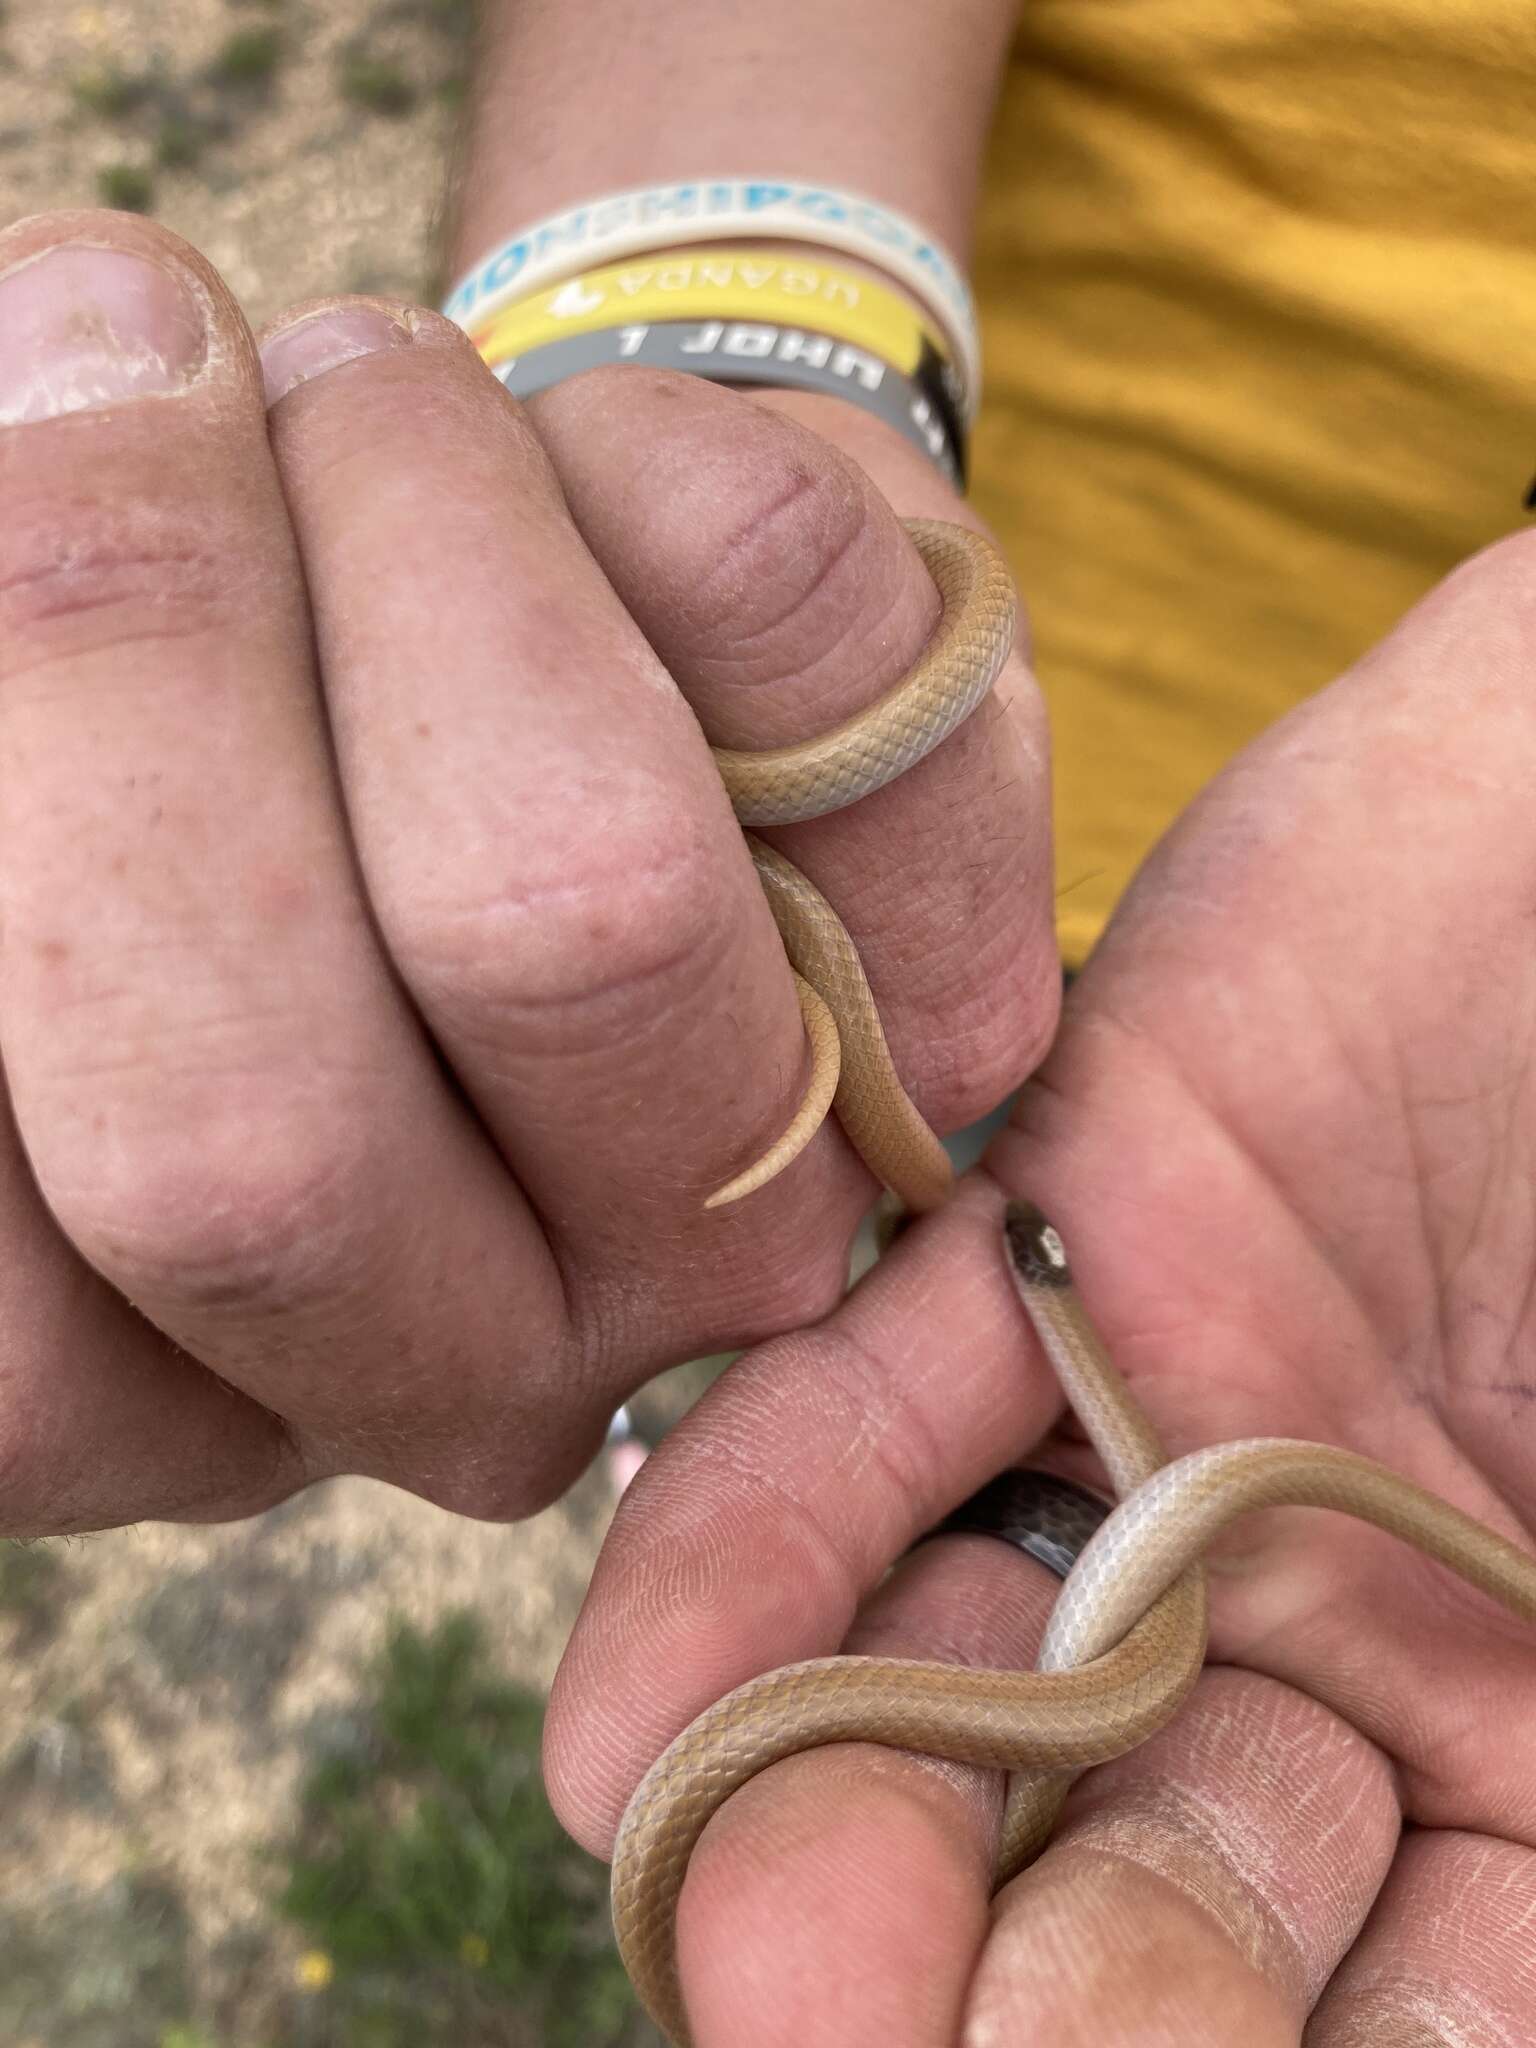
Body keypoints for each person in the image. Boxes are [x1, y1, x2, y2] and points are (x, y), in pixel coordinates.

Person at [1, 1, 1533, 2041]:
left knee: (839, 1314)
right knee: (772, 1182)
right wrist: (704, 431)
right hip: (945, 795)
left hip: (1248, 974)